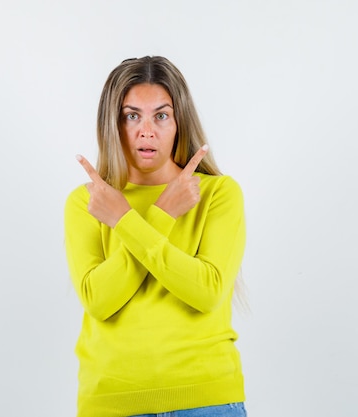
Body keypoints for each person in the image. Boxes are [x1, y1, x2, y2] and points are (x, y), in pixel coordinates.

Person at [63, 56, 247, 417]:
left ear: (179, 122)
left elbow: (207, 292)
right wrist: (158, 216)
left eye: (161, 115)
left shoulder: (217, 194)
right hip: (111, 402)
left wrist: (129, 220)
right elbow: (99, 301)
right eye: (132, 116)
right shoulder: (88, 202)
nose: (146, 131)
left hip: (206, 401)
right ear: (113, 124)